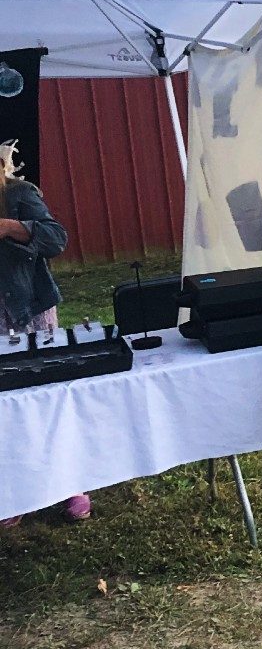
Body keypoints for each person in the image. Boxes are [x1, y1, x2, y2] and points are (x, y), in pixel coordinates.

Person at [0, 141, 91, 527]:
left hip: (28, 310)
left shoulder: (20, 194)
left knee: (45, 396)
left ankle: (69, 483)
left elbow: (56, 238)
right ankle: (14, 491)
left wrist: (7, 227)